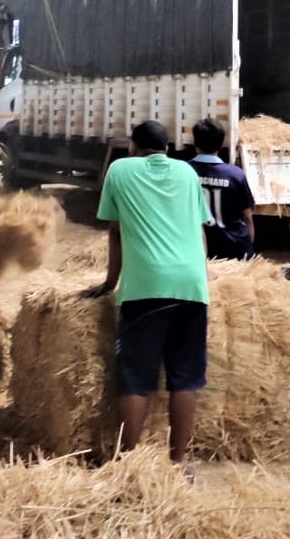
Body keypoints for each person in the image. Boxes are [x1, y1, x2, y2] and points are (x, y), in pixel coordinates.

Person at [82, 121, 209, 467]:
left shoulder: (120, 170)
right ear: (167, 147)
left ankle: (130, 464)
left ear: (134, 146)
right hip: (192, 285)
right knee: (185, 379)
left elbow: (115, 231)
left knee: (136, 379)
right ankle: (179, 463)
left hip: (145, 288)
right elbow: (199, 231)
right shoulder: (186, 173)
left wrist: (110, 283)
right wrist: (202, 278)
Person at [188, 117, 255, 260]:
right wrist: (248, 252)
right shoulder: (235, 174)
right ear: (221, 144)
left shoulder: (184, 171)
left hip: (198, 250)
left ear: (195, 143)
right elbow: (247, 218)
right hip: (235, 250)